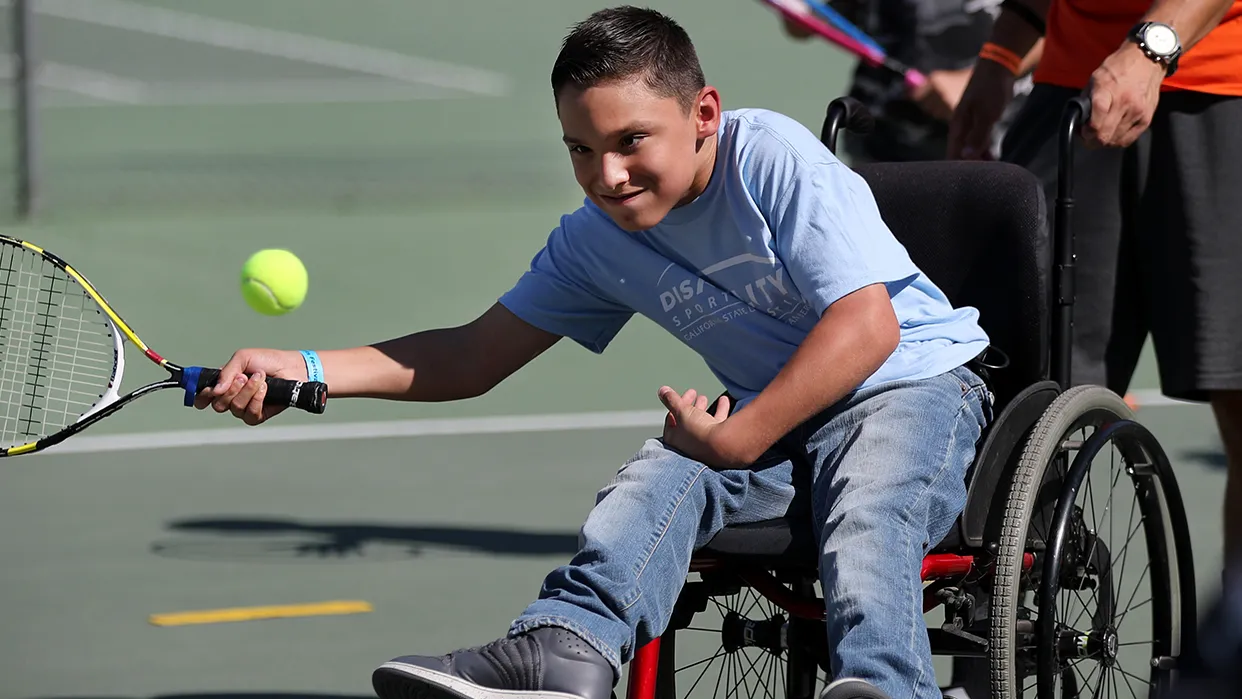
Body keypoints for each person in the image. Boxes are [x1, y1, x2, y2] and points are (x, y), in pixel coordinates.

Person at [197, 7, 993, 699]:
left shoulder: (769, 158)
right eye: (579, 148)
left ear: (704, 113)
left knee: (869, 509)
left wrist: (740, 436)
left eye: (630, 140)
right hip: (779, 420)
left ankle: (884, 684)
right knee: (662, 475)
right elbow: (473, 354)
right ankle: (567, 647)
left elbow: (868, 326)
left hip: (912, 386)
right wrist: (307, 369)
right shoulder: (595, 241)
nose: (606, 175)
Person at [947, 0, 1242, 570]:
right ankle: (1010, 618)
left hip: (1224, 90)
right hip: (1074, 93)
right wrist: (1001, 56)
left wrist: (1151, 49)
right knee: (1021, 399)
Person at [779, 0, 1042, 162]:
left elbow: (1056, 24)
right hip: (880, 148)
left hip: (999, 147)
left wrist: (976, 79)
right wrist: (801, 11)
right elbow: (809, 22)